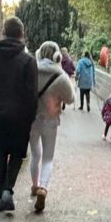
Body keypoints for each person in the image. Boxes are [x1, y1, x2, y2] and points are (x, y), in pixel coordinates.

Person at [0, 17, 37, 212]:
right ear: (21, 34)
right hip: (20, 120)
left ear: (4, 33)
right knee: (17, 155)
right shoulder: (28, 62)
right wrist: (28, 118)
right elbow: (32, 96)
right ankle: (7, 190)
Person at [28, 41, 75, 213]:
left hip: (32, 120)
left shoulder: (31, 72)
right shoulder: (61, 76)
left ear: (39, 54)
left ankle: (34, 186)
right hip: (51, 121)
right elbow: (70, 99)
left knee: (35, 154)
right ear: (57, 57)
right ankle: (43, 187)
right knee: (48, 158)